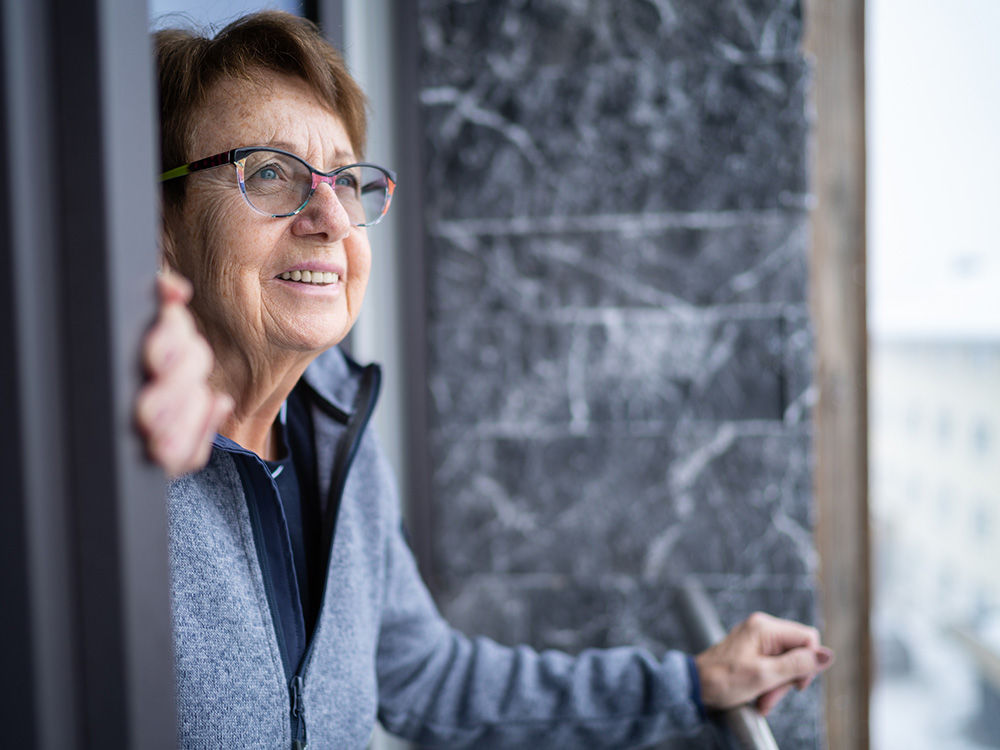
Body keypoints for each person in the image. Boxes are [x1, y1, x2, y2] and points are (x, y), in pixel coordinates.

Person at [136, 11, 833, 748]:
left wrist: (692, 685)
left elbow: (430, 680)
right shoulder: (104, 443)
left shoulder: (334, 431)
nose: (332, 217)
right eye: (270, 173)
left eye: (345, 179)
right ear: (160, 221)